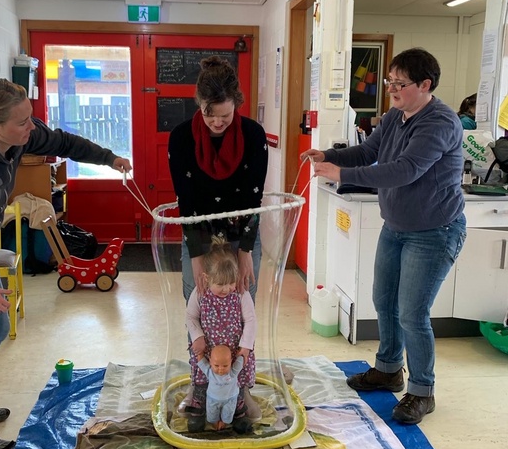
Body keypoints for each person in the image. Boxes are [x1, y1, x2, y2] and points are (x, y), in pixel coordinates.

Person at [0, 78, 132, 449]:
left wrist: (109, 158)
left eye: (30, 117)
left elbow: (63, 142)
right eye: (23, 121)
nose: (32, 126)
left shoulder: (17, 137)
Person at [301, 47, 466, 425]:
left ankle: (422, 391)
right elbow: (368, 152)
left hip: (434, 232)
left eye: (400, 83)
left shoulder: (440, 123)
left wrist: (341, 175)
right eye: (390, 81)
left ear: (425, 85)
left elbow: (404, 170)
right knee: (383, 300)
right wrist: (328, 155)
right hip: (396, 227)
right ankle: (389, 370)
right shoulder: (395, 116)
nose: (391, 89)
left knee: (412, 312)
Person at [168, 55, 268, 301]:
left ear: (236, 103)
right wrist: (196, 256)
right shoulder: (181, 138)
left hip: (242, 233)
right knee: (197, 300)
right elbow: (186, 201)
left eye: (225, 115)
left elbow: (253, 199)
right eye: (209, 114)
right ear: (199, 103)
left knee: (243, 302)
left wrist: (245, 251)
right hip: (198, 233)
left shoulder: (253, 135)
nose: (217, 122)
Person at [185, 236, 257, 433]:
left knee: (236, 377)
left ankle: (238, 409)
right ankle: (199, 406)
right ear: (206, 278)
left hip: (234, 351)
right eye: (220, 284)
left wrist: (246, 346)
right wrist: (197, 336)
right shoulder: (200, 292)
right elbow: (191, 316)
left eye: (230, 283)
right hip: (208, 350)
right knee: (203, 376)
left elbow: (251, 320)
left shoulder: (241, 293)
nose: (226, 289)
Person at [196, 344, 244, 430]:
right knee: (212, 414)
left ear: (231, 362)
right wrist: (200, 353)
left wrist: (240, 355)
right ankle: (215, 422)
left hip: (230, 398)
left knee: (228, 414)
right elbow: (201, 362)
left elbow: (240, 362)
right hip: (212, 398)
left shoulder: (233, 372)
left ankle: (224, 422)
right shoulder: (210, 372)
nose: (221, 369)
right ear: (210, 361)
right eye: (216, 365)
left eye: (225, 365)